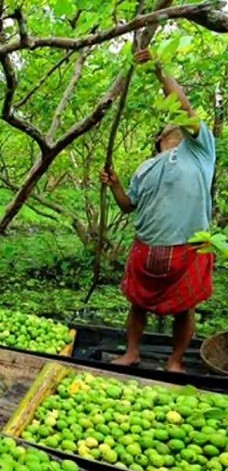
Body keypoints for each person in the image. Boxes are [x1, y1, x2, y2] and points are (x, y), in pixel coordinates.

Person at [100, 49, 216, 372]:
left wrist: (157, 68)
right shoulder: (146, 168)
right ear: (160, 139)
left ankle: (175, 362)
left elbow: (182, 105)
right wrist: (115, 185)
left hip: (188, 248)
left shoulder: (199, 151)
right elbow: (128, 206)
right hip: (147, 248)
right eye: (168, 128)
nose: (174, 126)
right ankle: (131, 353)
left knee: (185, 307)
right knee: (137, 303)